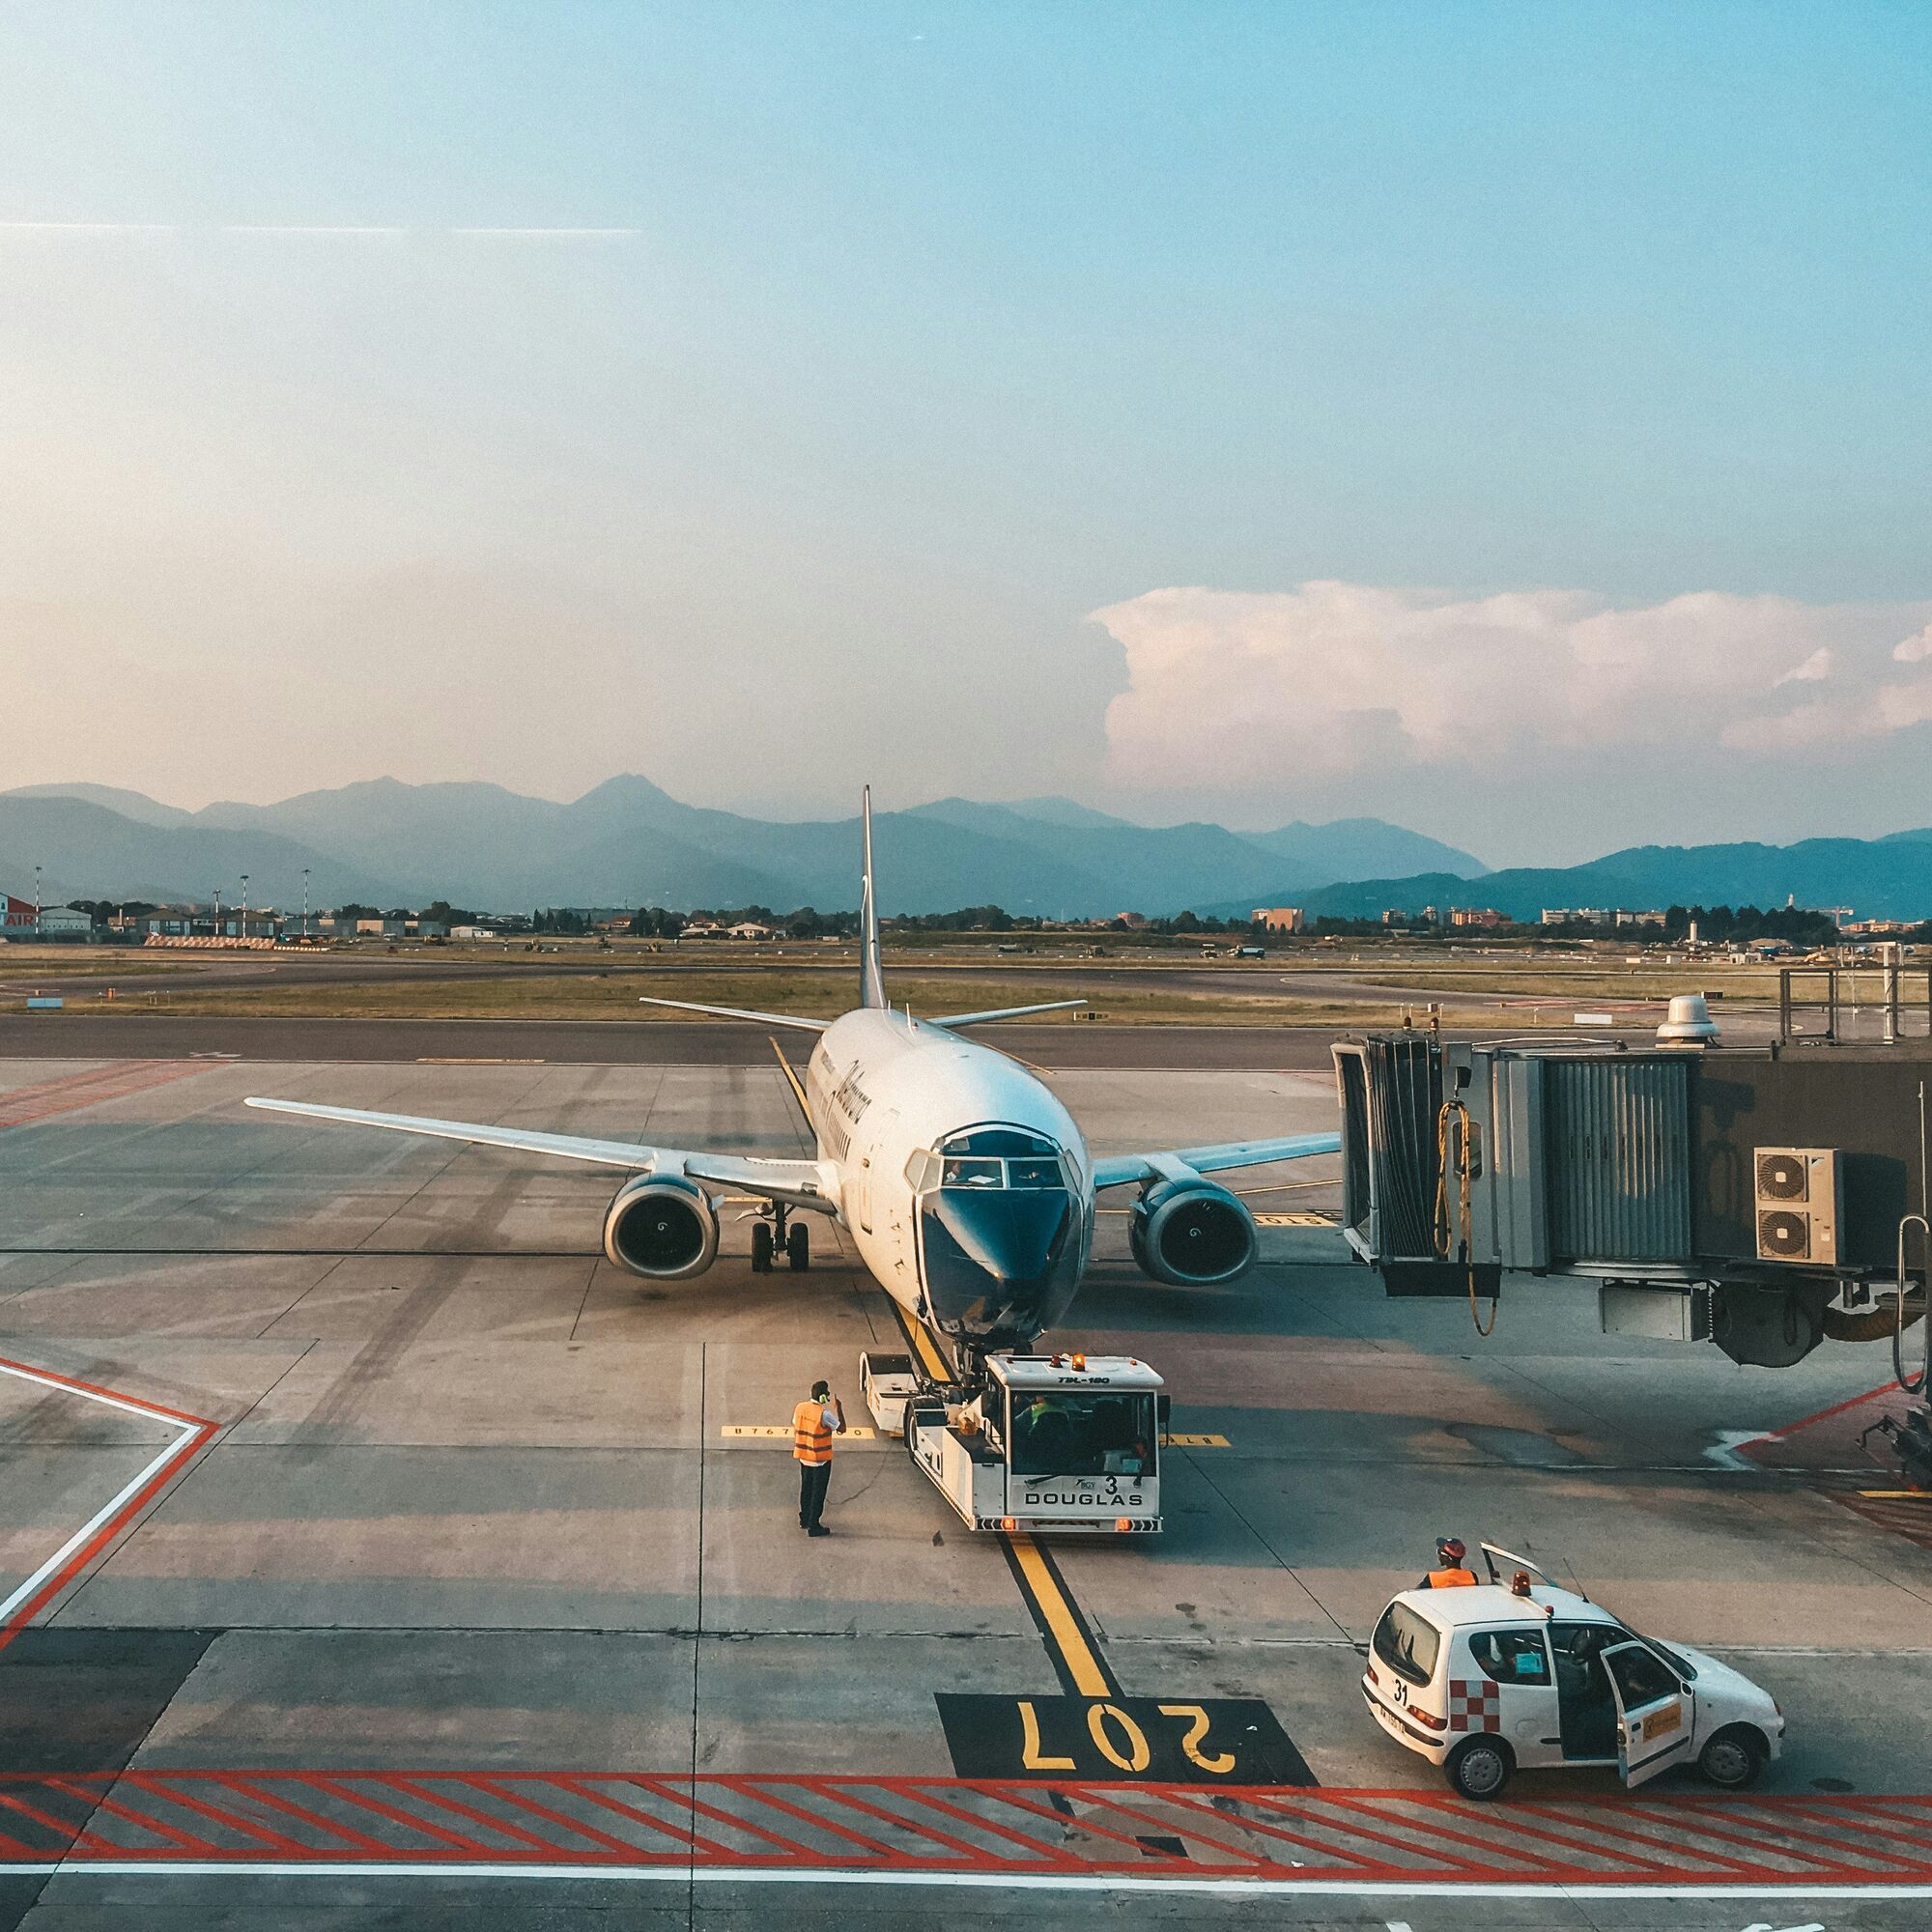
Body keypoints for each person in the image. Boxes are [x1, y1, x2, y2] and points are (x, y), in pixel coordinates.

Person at [792, 1378, 845, 1537]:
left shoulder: (800, 1407)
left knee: (806, 1489)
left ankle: (805, 1518)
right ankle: (814, 1525)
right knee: (818, 1493)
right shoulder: (825, 1414)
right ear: (823, 1397)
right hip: (820, 1460)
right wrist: (839, 1409)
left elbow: (795, 1423)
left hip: (803, 1456)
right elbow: (842, 1428)